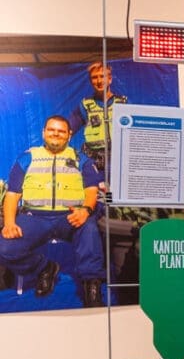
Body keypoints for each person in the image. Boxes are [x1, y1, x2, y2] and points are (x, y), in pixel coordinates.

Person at [0, 115, 105, 306]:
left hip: (70, 216)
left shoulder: (81, 159)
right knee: (5, 248)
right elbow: (13, 194)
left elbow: (91, 190)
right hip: (34, 218)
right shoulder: (27, 158)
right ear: (44, 132)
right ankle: (44, 269)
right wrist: (9, 223)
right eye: (51, 130)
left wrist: (85, 210)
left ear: (69, 135)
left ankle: (92, 284)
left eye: (61, 131)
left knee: (89, 229)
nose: (56, 134)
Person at [68, 61, 127, 173]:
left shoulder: (123, 103)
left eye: (102, 76)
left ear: (110, 79)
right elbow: (67, 131)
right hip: (94, 162)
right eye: (94, 77)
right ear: (91, 81)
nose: (99, 81)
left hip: (120, 160)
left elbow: (138, 131)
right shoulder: (85, 106)